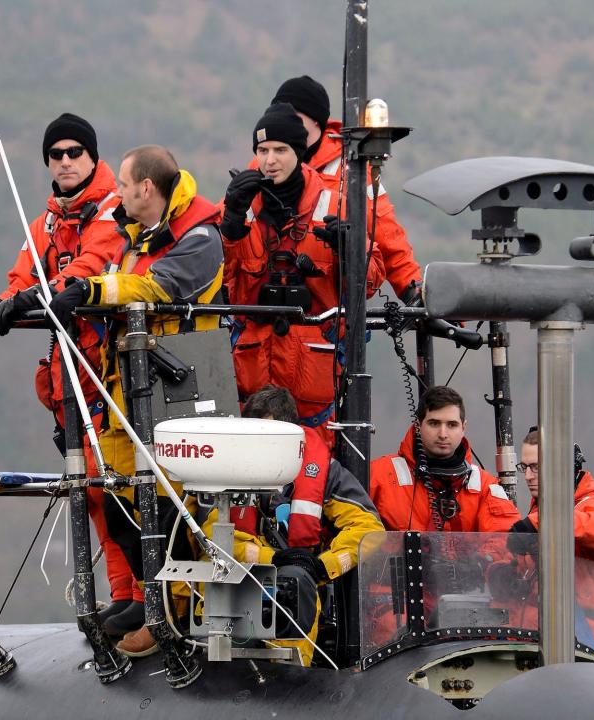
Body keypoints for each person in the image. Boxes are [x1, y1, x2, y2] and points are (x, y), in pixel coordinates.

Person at [0, 113, 140, 630]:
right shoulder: (46, 224)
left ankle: (145, 598)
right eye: (55, 155)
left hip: (109, 373)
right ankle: (124, 594)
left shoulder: (113, 211)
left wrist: (35, 295)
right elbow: (21, 276)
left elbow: (90, 267)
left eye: (74, 152)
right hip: (67, 381)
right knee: (94, 494)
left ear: (93, 157)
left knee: (120, 490)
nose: (64, 161)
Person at [49, 144, 224, 656]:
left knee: (168, 505)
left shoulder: (199, 238)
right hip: (130, 387)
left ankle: (174, 609)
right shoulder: (138, 236)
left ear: (147, 188)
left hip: (179, 390)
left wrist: (93, 293)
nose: (117, 194)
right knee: (122, 494)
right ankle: (151, 598)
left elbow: (156, 288)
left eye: (123, 186)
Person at [221, 102, 385, 432]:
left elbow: (369, 281)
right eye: (262, 149)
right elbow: (224, 284)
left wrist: (348, 250)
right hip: (252, 375)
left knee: (317, 475)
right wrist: (232, 226)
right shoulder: (242, 199)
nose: (269, 160)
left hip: (316, 381)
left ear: (299, 150)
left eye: (280, 149)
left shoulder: (336, 198)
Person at [207, 384, 384, 666]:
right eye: (251, 434)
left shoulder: (327, 473)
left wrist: (321, 566)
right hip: (241, 587)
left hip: (302, 590)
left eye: (266, 434)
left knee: (296, 581)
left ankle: (293, 671)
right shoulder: (230, 471)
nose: (258, 443)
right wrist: (272, 558)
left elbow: (369, 531)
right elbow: (213, 538)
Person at [270, 75, 422, 301]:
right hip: (271, 304)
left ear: (316, 122)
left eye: (295, 116)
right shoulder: (266, 163)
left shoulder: (353, 168)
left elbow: (386, 232)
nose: (286, 122)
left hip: (327, 306)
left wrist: (413, 290)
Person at [510, 428, 594, 662]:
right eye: (524, 467)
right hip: (534, 641)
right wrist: (496, 574)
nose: (528, 476)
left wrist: (540, 523)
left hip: (581, 645)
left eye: (536, 467)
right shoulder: (535, 517)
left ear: (561, 467)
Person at [369, 386, 520, 532]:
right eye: (434, 424)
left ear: (463, 428)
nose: (443, 434)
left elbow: (506, 545)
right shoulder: (377, 476)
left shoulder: (485, 486)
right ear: (418, 425)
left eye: (452, 425)